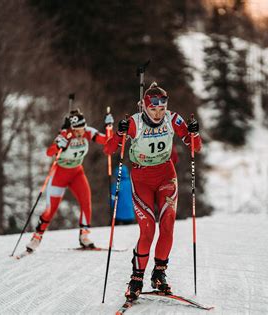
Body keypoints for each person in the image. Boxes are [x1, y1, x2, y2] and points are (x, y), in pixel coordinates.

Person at [104, 82, 202, 301]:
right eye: (153, 108)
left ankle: (159, 274)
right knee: (147, 230)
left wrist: (194, 134)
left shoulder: (173, 119)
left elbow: (195, 146)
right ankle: (136, 278)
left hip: (166, 175)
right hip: (141, 178)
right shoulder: (134, 123)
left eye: (162, 108)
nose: (158, 113)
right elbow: (109, 149)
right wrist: (119, 133)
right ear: (144, 107)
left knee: (167, 226)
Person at [26, 109, 114, 251]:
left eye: (82, 129)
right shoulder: (65, 135)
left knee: (86, 201)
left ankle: (84, 236)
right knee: (51, 209)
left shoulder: (88, 132)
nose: (81, 133)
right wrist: (58, 145)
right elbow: (49, 152)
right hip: (60, 174)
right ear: (72, 128)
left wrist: (109, 127)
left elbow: (107, 141)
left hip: (77, 173)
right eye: (77, 130)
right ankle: (37, 237)